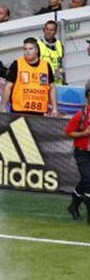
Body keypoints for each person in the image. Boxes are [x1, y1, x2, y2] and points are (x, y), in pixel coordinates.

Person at [2, 37, 57, 115]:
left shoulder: (45, 65)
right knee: (19, 127)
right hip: (19, 111)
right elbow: (7, 86)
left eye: (30, 49)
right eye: (25, 49)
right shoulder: (17, 64)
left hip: (39, 112)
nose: (27, 51)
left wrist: (54, 108)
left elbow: (52, 87)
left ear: (36, 50)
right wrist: (3, 107)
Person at [64, 84, 90, 222]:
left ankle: (74, 205)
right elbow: (68, 132)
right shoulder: (81, 115)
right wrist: (84, 133)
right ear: (87, 97)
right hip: (82, 153)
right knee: (88, 181)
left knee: (86, 181)